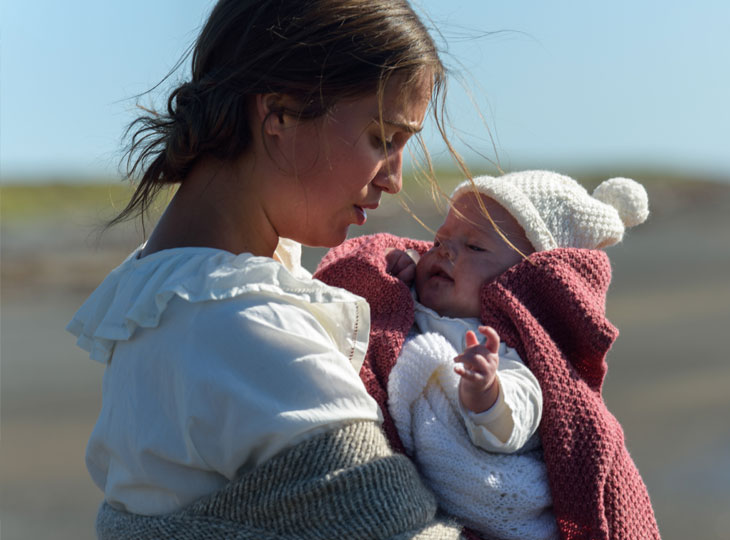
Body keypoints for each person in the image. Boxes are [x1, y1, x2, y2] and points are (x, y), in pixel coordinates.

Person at [66, 1, 466, 538]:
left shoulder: (156, 295)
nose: (394, 178)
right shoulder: (245, 326)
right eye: (382, 138)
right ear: (278, 113)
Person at [317, 170, 662, 540]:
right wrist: (386, 269)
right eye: (440, 240)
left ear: (519, 280)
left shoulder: (504, 349)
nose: (444, 251)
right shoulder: (408, 303)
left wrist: (487, 394)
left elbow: (519, 417)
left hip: (492, 503)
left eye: (475, 247)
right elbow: (343, 284)